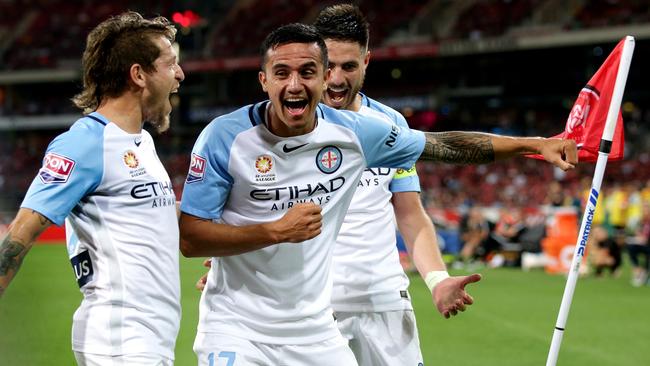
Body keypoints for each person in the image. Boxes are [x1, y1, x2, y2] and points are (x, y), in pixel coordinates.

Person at [179, 23, 576, 366]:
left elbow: (445, 146)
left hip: (316, 329)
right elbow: (191, 236)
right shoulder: (224, 138)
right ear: (263, 80)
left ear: (322, 78)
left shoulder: (356, 133)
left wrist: (534, 144)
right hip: (237, 327)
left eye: (308, 72)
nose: (295, 84)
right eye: (281, 73)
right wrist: (273, 232)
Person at [0, 11, 184, 366]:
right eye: (170, 63)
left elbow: (157, 218)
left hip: (147, 338)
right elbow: (21, 232)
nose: (179, 74)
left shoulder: (141, 142)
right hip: (119, 340)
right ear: (138, 74)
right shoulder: (84, 143)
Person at [314, 5, 480, 365]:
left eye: (349, 66)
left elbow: (410, 213)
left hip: (384, 300)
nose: (336, 79)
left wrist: (437, 279)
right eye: (327, 66)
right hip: (311, 306)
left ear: (367, 61)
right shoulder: (286, 122)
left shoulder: (390, 124)